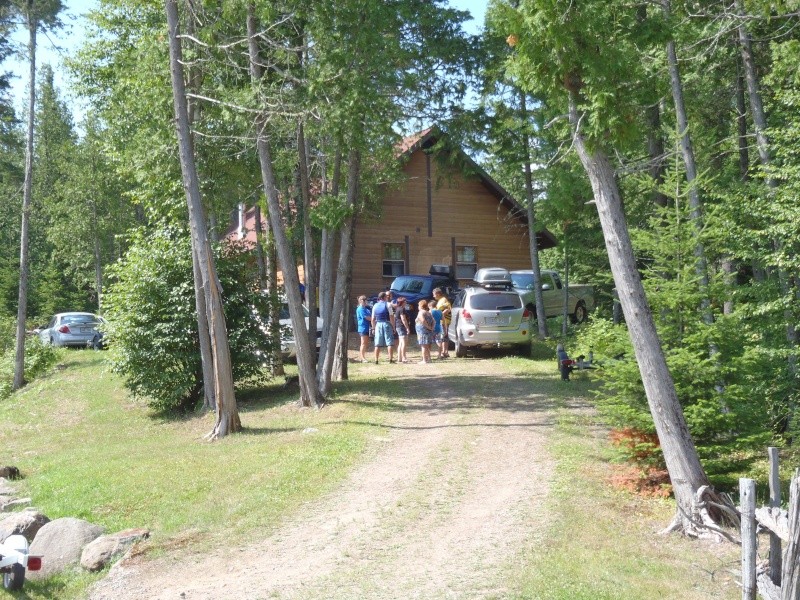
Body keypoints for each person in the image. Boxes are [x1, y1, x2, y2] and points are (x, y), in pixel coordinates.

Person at [371, 291, 395, 364]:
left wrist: (373, 328)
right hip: (386, 323)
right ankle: (390, 359)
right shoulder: (388, 304)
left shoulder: (375, 305)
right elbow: (391, 316)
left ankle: (376, 360)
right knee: (389, 342)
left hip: (378, 324)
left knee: (377, 343)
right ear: (385, 297)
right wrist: (393, 327)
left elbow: (372, 318)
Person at [433, 287, 452, 358]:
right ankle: (444, 352)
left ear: (438, 294)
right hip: (443, 321)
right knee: (444, 336)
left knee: (443, 336)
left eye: (434, 294)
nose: (433, 296)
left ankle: (444, 352)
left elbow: (448, 309)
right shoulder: (440, 300)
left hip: (445, 321)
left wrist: (439, 316)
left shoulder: (443, 300)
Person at [415, 299, 435, 363]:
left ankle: (424, 360)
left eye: (418, 305)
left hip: (422, 331)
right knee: (426, 345)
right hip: (428, 331)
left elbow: (423, 320)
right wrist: (431, 328)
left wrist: (428, 327)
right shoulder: (428, 312)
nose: (418, 306)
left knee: (423, 345)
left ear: (421, 306)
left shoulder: (421, 312)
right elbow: (434, 321)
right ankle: (429, 359)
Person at [355, 295, 372, 363]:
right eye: (365, 301)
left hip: (367, 327)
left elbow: (370, 316)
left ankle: (363, 356)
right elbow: (367, 318)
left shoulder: (366, 309)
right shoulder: (360, 309)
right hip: (363, 327)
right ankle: (362, 358)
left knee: (365, 343)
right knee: (363, 343)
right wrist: (374, 320)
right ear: (361, 301)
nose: (366, 302)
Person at [395, 297, 411, 363]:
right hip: (401, 327)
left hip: (398, 326)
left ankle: (399, 358)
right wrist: (407, 327)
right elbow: (403, 319)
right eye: (405, 301)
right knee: (404, 343)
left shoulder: (397, 308)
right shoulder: (402, 309)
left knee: (401, 343)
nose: (406, 302)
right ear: (402, 302)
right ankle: (404, 357)